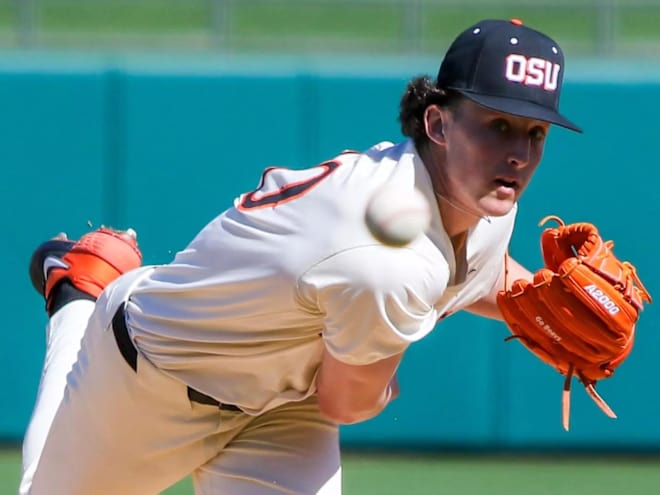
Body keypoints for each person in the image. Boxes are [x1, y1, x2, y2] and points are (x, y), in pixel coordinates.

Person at [20, 18, 582, 495]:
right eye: (498, 125)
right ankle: (78, 296)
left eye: (534, 133)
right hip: (154, 377)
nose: (517, 154)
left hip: (285, 409)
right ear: (437, 123)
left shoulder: (481, 197)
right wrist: (383, 378)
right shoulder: (384, 256)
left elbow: (476, 271)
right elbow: (349, 401)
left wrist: (545, 309)